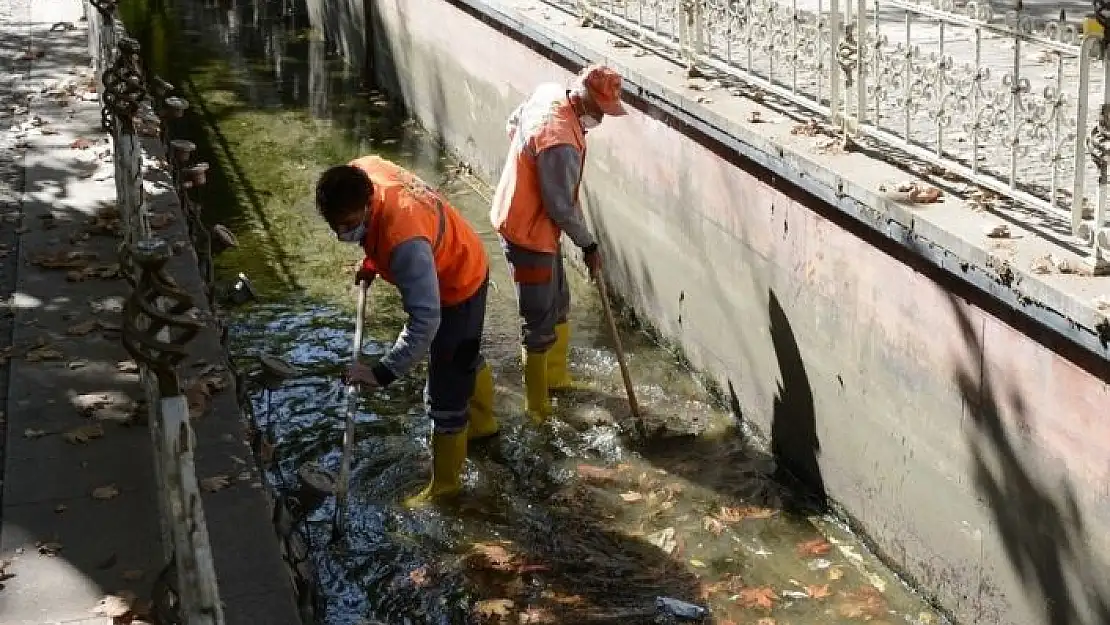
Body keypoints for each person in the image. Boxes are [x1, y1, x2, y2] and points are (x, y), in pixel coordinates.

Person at [316, 155, 497, 508]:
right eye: (336, 226)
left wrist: (380, 373)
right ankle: (483, 425)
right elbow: (376, 231)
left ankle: (445, 487)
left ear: (368, 205)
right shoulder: (362, 172)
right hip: (453, 252)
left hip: (458, 282)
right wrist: (371, 261)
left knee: (444, 390)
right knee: (463, 356)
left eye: (350, 225)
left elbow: (424, 322)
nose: (343, 234)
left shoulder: (405, 241)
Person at [489, 64, 627, 423]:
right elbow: (561, 207)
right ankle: (537, 407)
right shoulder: (561, 141)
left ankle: (556, 378)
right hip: (526, 231)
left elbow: (511, 124)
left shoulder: (549, 93)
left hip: (532, 221)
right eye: (600, 111)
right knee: (537, 317)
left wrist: (530, 168)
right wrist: (590, 246)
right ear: (583, 100)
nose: (602, 118)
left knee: (559, 301)